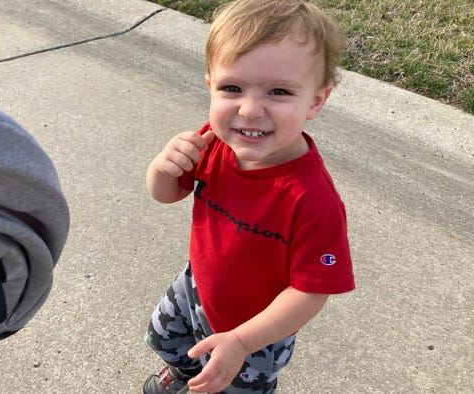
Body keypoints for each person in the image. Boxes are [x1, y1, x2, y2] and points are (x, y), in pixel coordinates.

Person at [142, 0, 355, 393]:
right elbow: (168, 193)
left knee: (236, 386)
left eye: (278, 91)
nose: (250, 109)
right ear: (210, 85)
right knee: (163, 336)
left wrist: (241, 341)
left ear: (316, 101)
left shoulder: (312, 199)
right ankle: (187, 376)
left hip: (257, 329)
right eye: (232, 88)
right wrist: (161, 167)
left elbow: (311, 291)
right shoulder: (213, 142)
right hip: (196, 286)